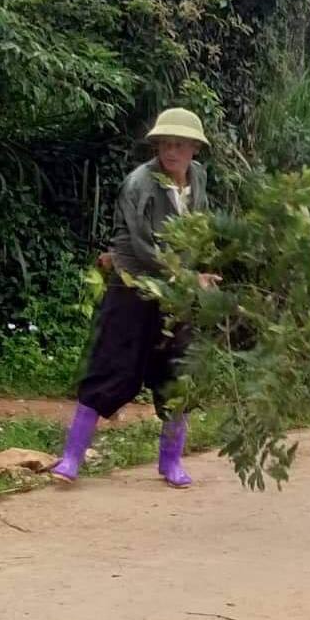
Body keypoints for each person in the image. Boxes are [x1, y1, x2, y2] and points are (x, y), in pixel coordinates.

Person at [50, 108, 219, 489]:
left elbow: (199, 231)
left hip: (177, 293)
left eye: (179, 145)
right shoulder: (138, 183)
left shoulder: (199, 180)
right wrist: (188, 275)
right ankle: (71, 458)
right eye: (164, 145)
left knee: (177, 374)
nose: (170, 152)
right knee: (111, 366)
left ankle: (171, 462)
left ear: (194, 148)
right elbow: (142, 246)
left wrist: (198, 273)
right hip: (133, 284)